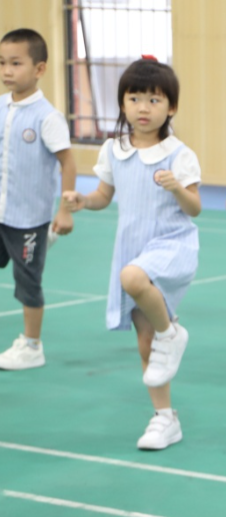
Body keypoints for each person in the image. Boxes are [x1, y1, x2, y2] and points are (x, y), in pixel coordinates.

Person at [63, 59, 201, 451]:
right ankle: (164, 418)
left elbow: (193, 209)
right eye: (134, 97)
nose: (143, 107)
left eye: (154, 99)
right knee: (146, 340)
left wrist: (177, 187)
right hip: (133, 245)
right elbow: (103, 197)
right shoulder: (114, 150)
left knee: (134, 279)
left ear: (170, 107)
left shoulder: (179, 154)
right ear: (122, 103)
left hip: (173, 244)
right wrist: (81, 201)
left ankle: (172, 333)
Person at [0, 28, 75, 371]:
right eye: (2, 62)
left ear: (40, 69)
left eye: (16, 63)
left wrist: (64, 209)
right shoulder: (1, 107)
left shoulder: (47, 117)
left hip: (29, 218)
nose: (7, 71)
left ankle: (32, 346)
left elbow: (68, 163)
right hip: (0, 213)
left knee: (27, 281)